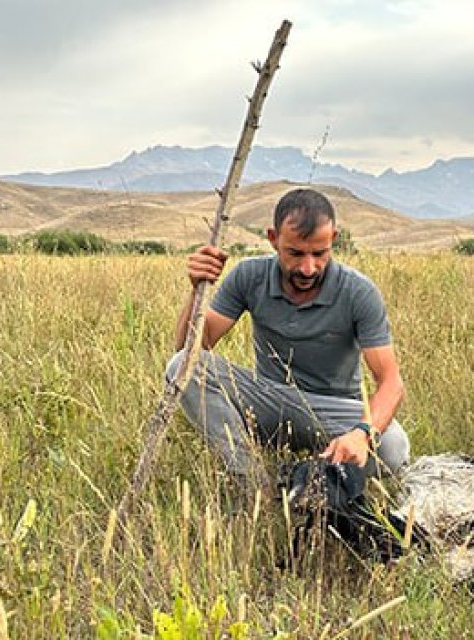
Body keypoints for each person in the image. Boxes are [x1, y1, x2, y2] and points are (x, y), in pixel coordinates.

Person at [167, 188, 410, 495]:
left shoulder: (358, 291)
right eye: (295, 253)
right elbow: (190, 350)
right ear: (272, 238)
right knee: (181, 367)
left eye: (319, 254)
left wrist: (361, 435)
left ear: (333, 239)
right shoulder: (248, 275)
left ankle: (316, 479)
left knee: (393, 448)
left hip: (334, 410)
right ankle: (253, 483)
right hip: (270, 401)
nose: (308, 268)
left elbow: (391, 382)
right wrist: (195, 290)